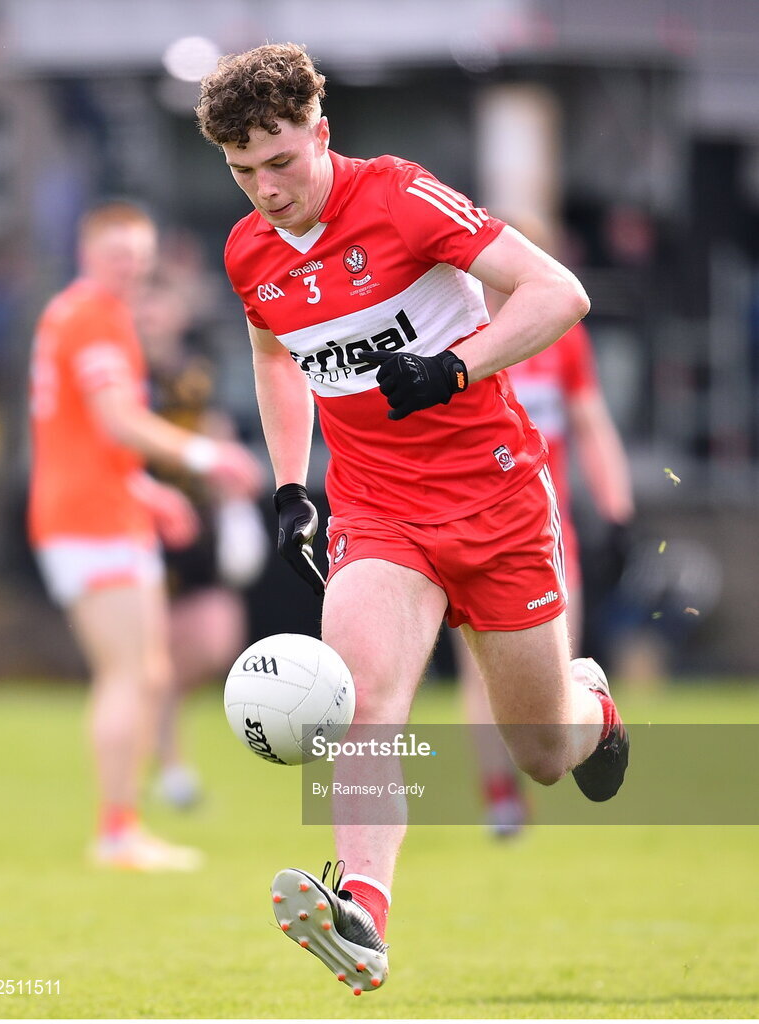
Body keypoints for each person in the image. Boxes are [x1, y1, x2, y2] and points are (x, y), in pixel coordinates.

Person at [196, 43, 630, 992]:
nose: (266, 191)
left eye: (281, 163)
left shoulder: (398, 195)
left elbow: (560, 292)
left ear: (322, 132)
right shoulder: (249, 251)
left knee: (545, 753)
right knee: (365, 700)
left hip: (498, 495)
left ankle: (589, 710)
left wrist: (455, 364)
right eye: (242, 173)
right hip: (377, 507)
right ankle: (364, 914)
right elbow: (276, 357)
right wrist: (289, 482)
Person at [27, 202, 263, 870]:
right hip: (89, 519)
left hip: (102, 508)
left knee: (148, 671)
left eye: (139, 258)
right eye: (117, 255)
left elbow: (79, 434)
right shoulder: (93, 316)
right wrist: (201, 458)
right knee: (129, 674)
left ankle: (125, 822)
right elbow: (114, 419)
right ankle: (117, 830)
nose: (129, 269)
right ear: (86, 252)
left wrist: (148, 491)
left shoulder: (80, 315)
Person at [457, 316, 635, 836]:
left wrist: (616, 507)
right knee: (479, 673)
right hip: (463, 526)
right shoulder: (446, 321)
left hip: (542, 530)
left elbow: (591, 422)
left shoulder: (560, 333)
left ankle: (585, 706)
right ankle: (501, 799)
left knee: (550, 673)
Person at [134, 273, 268, 807]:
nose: (150, 322)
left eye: (158, 311)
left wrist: (232, 481)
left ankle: (153, 744)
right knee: (153, 657)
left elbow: (214, 431)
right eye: (141, 312)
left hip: (196, 525)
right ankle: (168, 767)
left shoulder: (195, 373)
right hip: (140, 525)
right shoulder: (120, 377)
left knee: (216, 641)